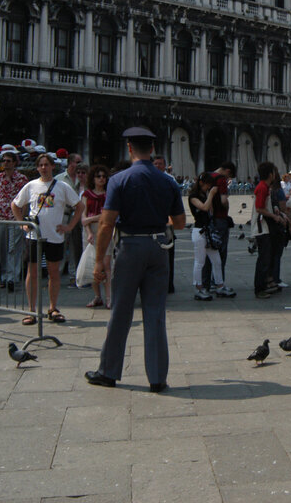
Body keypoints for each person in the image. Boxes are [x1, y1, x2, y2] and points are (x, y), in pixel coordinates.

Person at [85, 127, 186, 391]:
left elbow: (106, 225)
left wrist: (98, 262)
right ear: (152, 150)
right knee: (155, 313)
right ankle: (157, 378)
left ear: (129, 148)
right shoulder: (168, 181)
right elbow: (180, 223)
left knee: (121, 310)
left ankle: (108, 371)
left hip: (130, 246)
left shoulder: (119, 180)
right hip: (159, 248)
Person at [11, 152, 84, 325]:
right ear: (37, 168)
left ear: (53, 166)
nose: (44, 168)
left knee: (53, 273)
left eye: (47, 164)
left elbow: (79, 206)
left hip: (55, 236)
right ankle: (31, 310)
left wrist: (69, 226)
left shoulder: (62, 187)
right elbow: (15, 204)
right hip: (34, 235)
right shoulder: (31, 186)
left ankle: (53, 307)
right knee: (32, 272)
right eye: (41, 165)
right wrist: (21, 223)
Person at [187, 172, 236, 300]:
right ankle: (199, 288)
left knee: (217, 260)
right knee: (200, 261)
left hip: (208, 231)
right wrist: (212, 195)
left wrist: (210, 195)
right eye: (207, 185)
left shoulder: (204, 194)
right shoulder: (193, 196)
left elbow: (211, 210)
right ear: (201, 183)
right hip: (199, 231)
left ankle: (220, 286)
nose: (209, 187)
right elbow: (204, 207)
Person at [0, 148, 28, 292]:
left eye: (8, 161)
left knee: (14, 248)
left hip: (14, 216)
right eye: (4, 161)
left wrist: (21, 216)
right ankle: (4, 275)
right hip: (0, 216)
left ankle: (12, 277)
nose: (5, 163)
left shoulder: (22, 179)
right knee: (3, 247)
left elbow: (25, 199)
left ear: (14, 163)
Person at [81, 164, 112, 308]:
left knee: (106, 264)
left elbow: (108, 216)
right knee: (92, 265)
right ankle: (97, 296)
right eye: (98, 176)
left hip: (106, 230)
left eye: (104, 176)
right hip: (90, 232)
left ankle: (108, 297)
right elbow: (83, 217)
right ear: (93, 178)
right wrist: (88, 232)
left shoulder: (109, 194)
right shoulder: (86, 194)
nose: (101, 179)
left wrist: (92, 218)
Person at [251, 161, 283, 299]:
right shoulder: (263, 187)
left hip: (265, 227)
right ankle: (259, 288)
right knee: (263, 259)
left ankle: (266, 283)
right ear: (271, 174)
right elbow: (259, 208)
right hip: (261, 227)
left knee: (267, 257)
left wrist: (273, 209)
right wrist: (273, 217)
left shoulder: (265, 187)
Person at [55, 152, 84, 281]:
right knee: (60, 244)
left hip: (78, 215)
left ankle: (74, 274)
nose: (80, 165)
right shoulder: (59, 179)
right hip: (63, 214)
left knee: (75, 245)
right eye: (77, 162)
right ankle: (58, 273)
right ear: (70, 163)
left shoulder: (82, 177)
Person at [153, 155, 179, 294]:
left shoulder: (170, 180)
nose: (157, 166)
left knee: (168, 254)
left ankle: (169, 285)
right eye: (155, 163)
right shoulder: (148, 178)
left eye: (160, 164)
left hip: (167, 222)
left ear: (165, 166)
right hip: (152, 223)